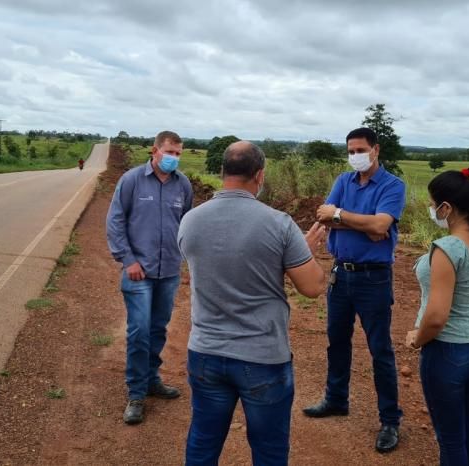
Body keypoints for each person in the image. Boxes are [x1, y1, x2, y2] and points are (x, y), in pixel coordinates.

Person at [179, 141, 328, 466]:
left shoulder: (190, 220)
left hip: (205, 352)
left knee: (203, 442)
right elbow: (313, 287)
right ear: (259, 175)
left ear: (222, 172)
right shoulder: (279, 224)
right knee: (269, 449)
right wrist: (303, 253)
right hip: (261, 357)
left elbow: (217, 263)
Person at [303, 127, 406, 453]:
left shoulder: (393, 185)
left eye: (360, 149)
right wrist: (358, 221)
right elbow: (324, 217)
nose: (355, 156)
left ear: (376, 150)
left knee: (380, 349)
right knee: (337, 341)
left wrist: (342, 217)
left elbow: (380, 227)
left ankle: (390, 420)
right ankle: (336, 399)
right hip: (340, 275)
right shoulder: (343, 181)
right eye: (350, 150)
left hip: (373, 278)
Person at [405, 165, 469, 465]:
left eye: (433, 204)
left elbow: (436, 318)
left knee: (449, 440)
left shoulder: (447, 249)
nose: (431, 209)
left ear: (446, 208)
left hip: (446, 353)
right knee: (464, 427)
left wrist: (417, 338)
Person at [105, 130, 193, 425]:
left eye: (179, 154)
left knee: (157, 329)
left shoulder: (183, 186)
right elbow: (115, 220)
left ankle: (152, 378)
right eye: (170, 152)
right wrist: (127, 260)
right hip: (137, 271)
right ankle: (136, 393)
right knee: (139, 331)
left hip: (168, 270)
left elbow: (187, 225)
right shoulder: (131, 180)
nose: (174, 158)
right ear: (155, 151)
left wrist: (187, 261)